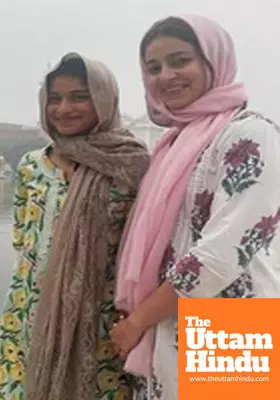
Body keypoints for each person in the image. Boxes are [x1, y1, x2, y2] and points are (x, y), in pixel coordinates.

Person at [111, 14, 280, 400]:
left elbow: (222, 253)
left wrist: (137, 320)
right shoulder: (174, 142)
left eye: (180, 60)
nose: (166, 76)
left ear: (213, 62)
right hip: (167, 321)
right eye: (153, 68)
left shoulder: (248, 133)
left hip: (231, 323)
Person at [0, 53, 150, 400]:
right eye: (55, 98)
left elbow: (142, 250)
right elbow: (24, 242)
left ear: (104, 100)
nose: (64, 108)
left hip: (98, 317)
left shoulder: (130, 166)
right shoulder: (31, 166)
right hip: (28, 310)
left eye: (80, 96)